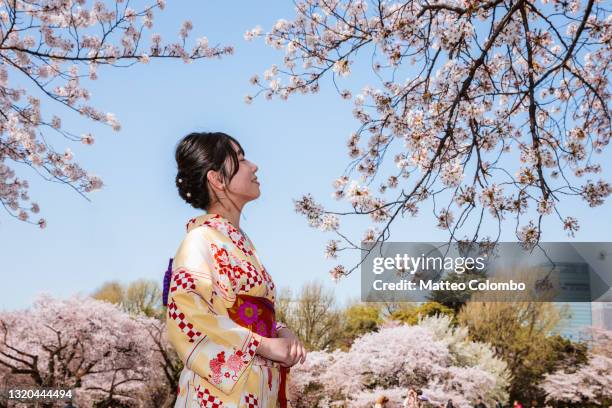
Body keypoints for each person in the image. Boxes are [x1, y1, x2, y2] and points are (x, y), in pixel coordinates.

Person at [165, 132, 307, 407]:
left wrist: (280, 332)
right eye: (240, 159)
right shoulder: (200, 239)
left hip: (255, 387)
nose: (254, 166)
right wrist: (264, 345)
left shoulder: (239, 243)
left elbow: (240, 310)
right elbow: (186, 314)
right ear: (217, 179)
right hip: (218, 396)